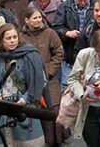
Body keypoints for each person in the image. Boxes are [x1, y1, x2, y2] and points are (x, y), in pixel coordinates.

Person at [0, 24, 47, 147]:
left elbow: (41, 81)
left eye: (15, 37)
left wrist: (25, 99)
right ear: (1, 40)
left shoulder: (30, 56)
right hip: (4, 110)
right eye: (8, 38)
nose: (13, 40)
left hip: (27, 109)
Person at [19, 8, 65, 147]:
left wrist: (49, 71)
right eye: (35, 18)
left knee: (54, 110)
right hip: (29, 80)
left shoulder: (49, 33)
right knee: (35, 110)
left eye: (40, 17)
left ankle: (56, 140)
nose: (39, 20)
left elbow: (58, 53)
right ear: (27, 20)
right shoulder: (20, 36)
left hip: (49, 79)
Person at [52, 0, 94, 89]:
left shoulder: (96, 6)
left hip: (91, 54)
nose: (83, 3)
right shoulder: (64, 7)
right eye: (80, 0)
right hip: (69, 54)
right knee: (67, 86)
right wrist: (66, 33)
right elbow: (56, 27)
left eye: (85, 0)